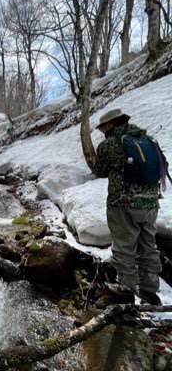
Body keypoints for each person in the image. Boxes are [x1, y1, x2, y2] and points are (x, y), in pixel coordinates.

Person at [93, 108, 162, 305]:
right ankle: (150, 290)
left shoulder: (110, 144)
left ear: (109, 125)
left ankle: (126, 289)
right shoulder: (147, 139)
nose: (103, 132)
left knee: (124, 245)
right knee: (148, 245)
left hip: (123, 202)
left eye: (102, 128)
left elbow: (99, 170)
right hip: (150, 202)